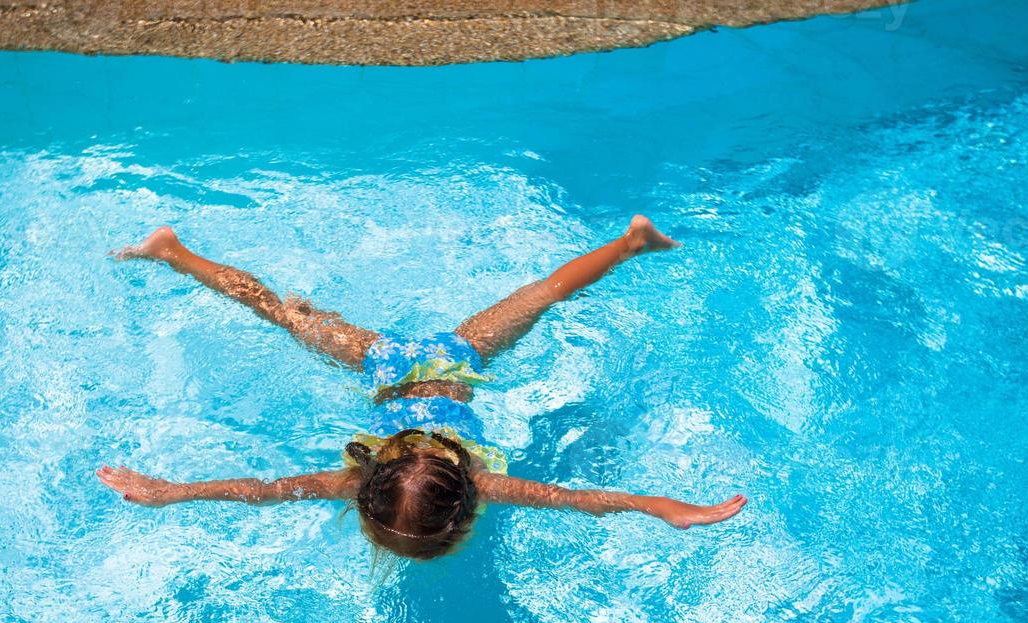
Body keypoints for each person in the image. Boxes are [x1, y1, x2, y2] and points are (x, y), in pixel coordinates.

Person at [97, 216, 747, 559]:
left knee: (542, 295)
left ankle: (174, 252)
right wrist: (173, 493)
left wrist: (659, 505)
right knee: (545, 290)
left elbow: (580, 500)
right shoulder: (357, 478)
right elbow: (262, 493)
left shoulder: (485, 485)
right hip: (387, 367)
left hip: (451, 363)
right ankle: (174, 252)